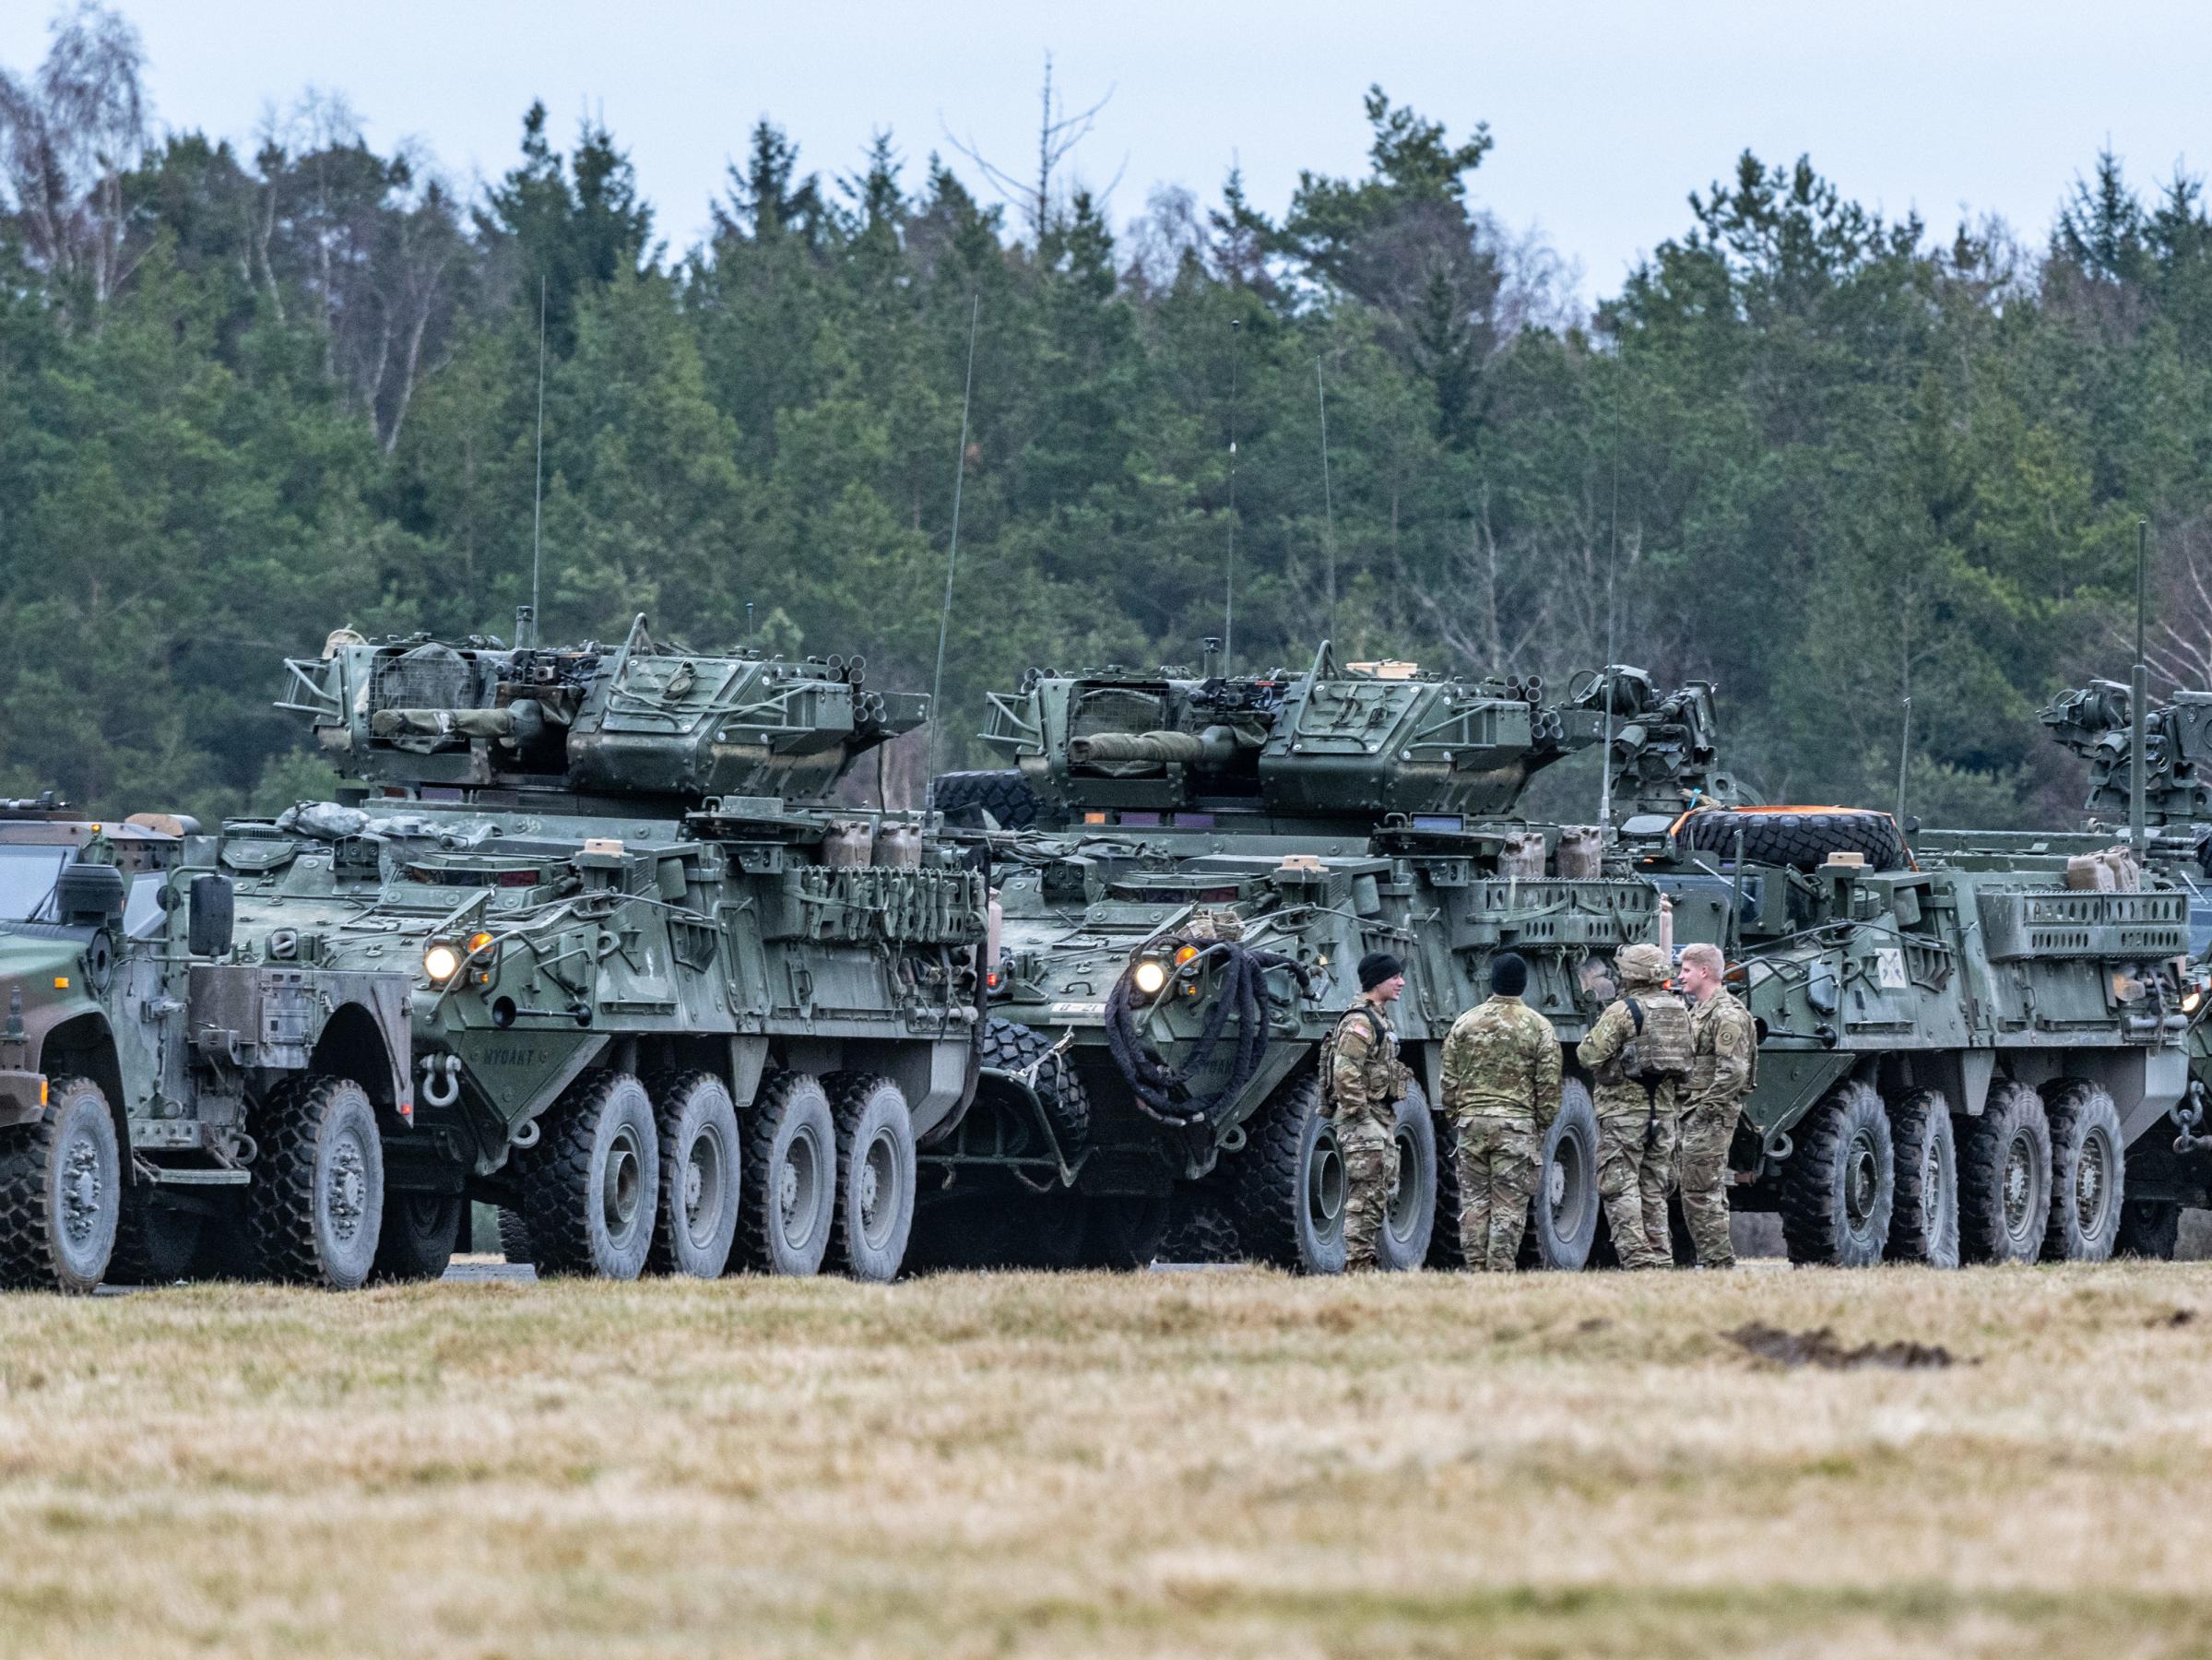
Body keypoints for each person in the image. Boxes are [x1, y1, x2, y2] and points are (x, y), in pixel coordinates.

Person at [1440, 952, 1562, 1271]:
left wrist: (1458, 1117)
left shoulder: (1464, 1023)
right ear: (1523, 984)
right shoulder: (1539, 1027)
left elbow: (1448, 1081)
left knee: (1474, 1203)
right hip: (1517, 1126)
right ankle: (1500, 1270)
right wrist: (1539, 1126)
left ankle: (1476, 1269)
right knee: (1509, 1204)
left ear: (1491, 982)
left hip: (1472, 1124)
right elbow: (1549, 1087)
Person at [1574, 941, 1690, 1270]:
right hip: (1664, 1116)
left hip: (1624, 1114)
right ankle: (1661, 1259)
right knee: (1653, 1190)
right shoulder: (1679, 1009)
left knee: (1619, 1189)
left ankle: (1638, 1262)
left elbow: (1588, 1055)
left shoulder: (1625, 1010)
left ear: (1630, 975)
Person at [1327, 951, 1411, 1271]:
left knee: (1377, 1191)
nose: (1401, 982)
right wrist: (1361, 1116)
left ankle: (1364, 1262)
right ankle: (1357, 1264)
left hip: (1378, 1115)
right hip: (1363, 1118)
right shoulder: (1361, 1022)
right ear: (1377, 981)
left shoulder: (1379, 1018)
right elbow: (1345, 1072)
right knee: (1365, 1196)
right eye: (1394, 977)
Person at [1674, 941, 1756, 1269]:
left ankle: (1718, 1262)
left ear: (1704, 971)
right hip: (1695, 1111)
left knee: (1700, 1192)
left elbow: (1733, 1071)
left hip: (1709, 1116)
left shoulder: (1726, 1015)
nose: (1680, 977)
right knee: (1704, 1189)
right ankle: (1714, 1260)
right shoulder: (1699, 1012)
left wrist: (1704, 1110)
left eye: (1686, 970)